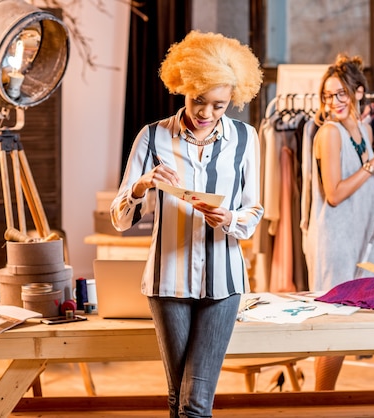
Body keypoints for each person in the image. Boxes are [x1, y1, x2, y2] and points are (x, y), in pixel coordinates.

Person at [110, 30, 263, 417]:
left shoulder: (246, 139)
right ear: (184, 86)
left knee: (195, 403)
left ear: (232, 100)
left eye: (219, 105)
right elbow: (120, 218)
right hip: (167, 281)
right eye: (199, 101)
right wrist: (142, 186)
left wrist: (230, 218)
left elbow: (254, 211)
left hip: (224, 284)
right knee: (179, 398)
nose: (206, 114)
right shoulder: (151, 137)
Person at [304, 53, 374, 389]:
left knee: (348, 323)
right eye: (328, 95)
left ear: (359, 92)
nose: (333, 102)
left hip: (359, 237)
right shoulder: (329, 133)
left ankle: (320, 399)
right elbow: (334, 193)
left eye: (341, 94)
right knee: (335, 325)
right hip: (335, 240)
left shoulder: (361, 129)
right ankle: (320, 401)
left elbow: (362, 187)